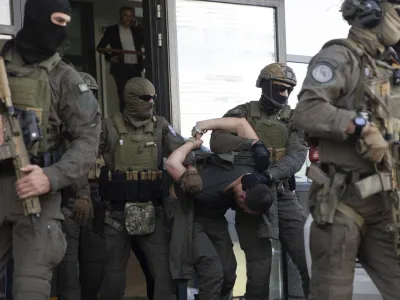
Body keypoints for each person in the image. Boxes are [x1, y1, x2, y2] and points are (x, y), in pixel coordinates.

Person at [293, 1, 400, 299]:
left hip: (384, 203)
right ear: (372, 13)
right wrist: (360, 125)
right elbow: (307, 112)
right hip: (342, 202)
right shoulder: (340, 56)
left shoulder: (388, 63)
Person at [0, 0, 101, 299]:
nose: (62, 30)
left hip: (37, 196)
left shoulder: (65, 77)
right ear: (36, 17)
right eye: (57, 20)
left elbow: (88, 139)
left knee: (30, 288)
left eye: (66, 23)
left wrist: (52, 176)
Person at [210, 63, 309, 299]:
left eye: (288, 90)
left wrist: (269, 174)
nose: (284, 94)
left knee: (309, 258)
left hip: (282, 194)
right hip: (251, 198)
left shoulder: (295, 119)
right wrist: (252, 145)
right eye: (278, 88)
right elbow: (217, 140)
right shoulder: (242, 113)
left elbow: (296, 157)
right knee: (259, 269)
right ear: (264, 85)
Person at [166, 117, 273, 300]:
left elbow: (240, 123)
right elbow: (171, 163)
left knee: (229, 272)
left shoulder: (252, 163)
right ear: (242, 196)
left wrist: (202, 125)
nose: (245, 213)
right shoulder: (203, 186)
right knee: (212, 273)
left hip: (214, 217)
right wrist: (192, 142)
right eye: (246, 209)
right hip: (189, 216)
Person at [97, 77, 184, 300]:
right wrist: (82, 195)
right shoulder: (107, 126)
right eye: (146, 98)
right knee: (113, 278)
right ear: (131, 99)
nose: (151, 102)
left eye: (153, 98)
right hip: (115, 215)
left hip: (152, 212)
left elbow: (182, 151)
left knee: (164, 273)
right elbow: (82, 159)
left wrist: (191, 165)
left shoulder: (160, 125)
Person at [56, 72, 106, 300]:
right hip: (68, 205)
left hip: (97, 205)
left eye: (92, 95)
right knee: (69, 272)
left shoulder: (103, 128)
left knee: (94, 269)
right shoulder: (59, 130)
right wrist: (82, 194)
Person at [97, 6, 144, 112]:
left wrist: (138, 26)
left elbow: (146, 41)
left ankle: (136, 119)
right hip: (121, 68)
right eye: (125, 16)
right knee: (123, 95)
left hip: (136, 67)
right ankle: (125, 120)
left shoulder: (136, 30)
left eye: (130, 16)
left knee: (137, 95)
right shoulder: (112, 30)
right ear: (120, 16)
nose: (128, 19)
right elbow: (100, 47)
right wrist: (110, 57)